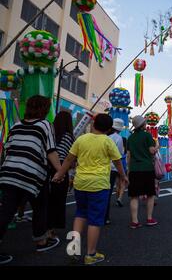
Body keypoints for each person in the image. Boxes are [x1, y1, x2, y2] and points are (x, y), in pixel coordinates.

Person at [53, 114, 127, 265]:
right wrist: (123, 176)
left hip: (80, 184)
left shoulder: (82, 139)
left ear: (93, 124)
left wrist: (59, 174)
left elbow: (69, 159)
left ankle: (73, 250)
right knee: (95, 219)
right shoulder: (108, 141)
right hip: (99, 185)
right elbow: (117, 161)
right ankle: (91, 254)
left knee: (80, 214)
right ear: (108, 128)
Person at [0, 96, 62, 265]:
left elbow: (7, 148)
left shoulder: (16, 125)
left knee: (6, 210)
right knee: (40, 206)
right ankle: (41, 242)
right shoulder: (45, 125)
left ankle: (40, 240)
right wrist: (60, 171)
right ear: (44, 109)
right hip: (31, 174)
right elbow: (51, 151)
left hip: (9, 172)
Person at [127, 116, 158, 229]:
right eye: (145, 123)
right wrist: (157, 146)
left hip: (134, 169)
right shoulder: (147, 135)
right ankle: (149, 219)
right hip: (147, 168)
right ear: (142, 125)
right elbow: (152, 151)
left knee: (134, 196)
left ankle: (135, 221)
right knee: (150, 194)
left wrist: (129, 170)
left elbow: (129, 156)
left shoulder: (130, 138)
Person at [48, 111, 75, 239]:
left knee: (46, 200)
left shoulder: (50, 133)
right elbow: (69, 159)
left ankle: (43, 228)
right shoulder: (68, 137)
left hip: (46, 169)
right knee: (58, 201)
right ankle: (51, 230)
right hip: (61, 170)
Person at [104, 119, 125, 225]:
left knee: (100, 192)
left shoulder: (105, 136)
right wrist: (123, 174)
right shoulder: (118, 138)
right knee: (107, 192)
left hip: (102, 168)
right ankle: (105, 217)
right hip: (112, 168)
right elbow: (119, 154)